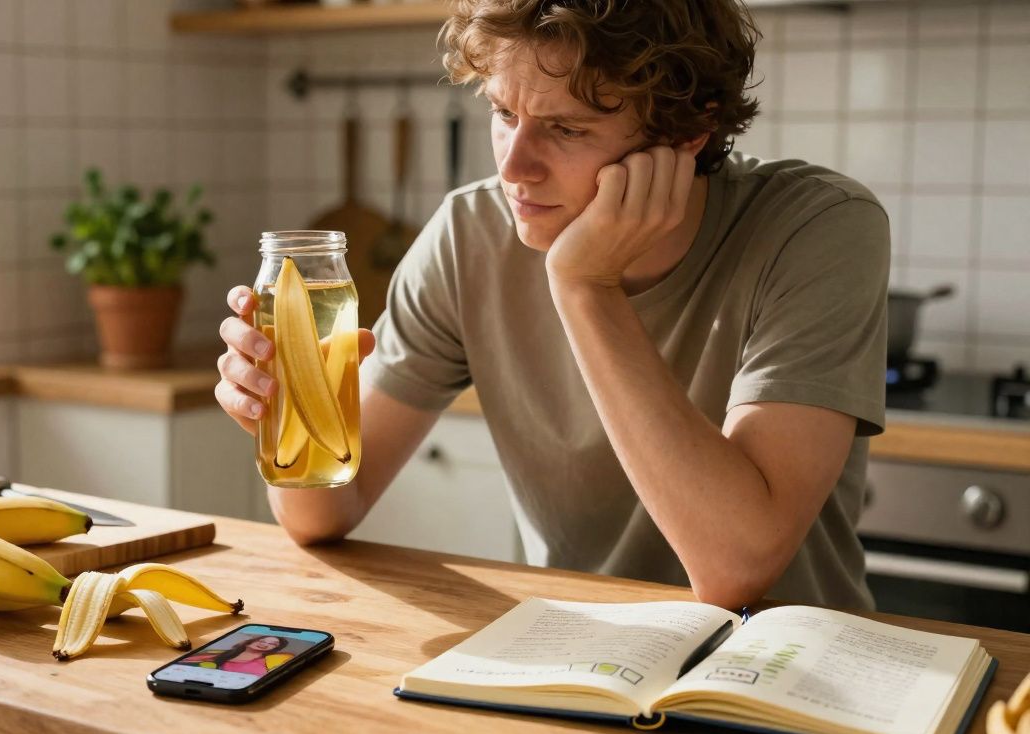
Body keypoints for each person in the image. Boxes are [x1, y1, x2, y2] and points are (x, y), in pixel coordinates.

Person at [216, 0, 888, 612]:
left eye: (565, 129)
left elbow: (737, 570)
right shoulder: (468, 236)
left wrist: (582, 286)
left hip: (787, 679)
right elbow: (325, 515)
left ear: (688, 134)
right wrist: (289, 414)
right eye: (504, 114)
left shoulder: (820, 227)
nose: (513, 166)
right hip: (580, 669)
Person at [183, 635, 294, 677]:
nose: (264, 644)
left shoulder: (260, 665)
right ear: (251, 641)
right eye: (262, 640)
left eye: (272, 644)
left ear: (274, 649)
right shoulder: (215, 653)